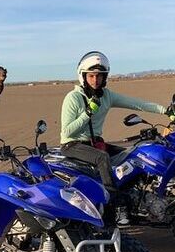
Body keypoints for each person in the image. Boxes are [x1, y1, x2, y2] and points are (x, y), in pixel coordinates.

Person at [60, 51, 168, 224]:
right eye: (91, 76)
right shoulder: (73, 98)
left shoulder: (107, 96)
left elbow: (136, 103)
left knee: (132, 156)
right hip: (72, 144)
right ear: (83, 76)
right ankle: (116, 207)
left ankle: (133, 197)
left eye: (100, 76)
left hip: (95, 143)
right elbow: (66, 133)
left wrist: (165, 111)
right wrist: (87, 113)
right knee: (103, 158)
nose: (95, 80)